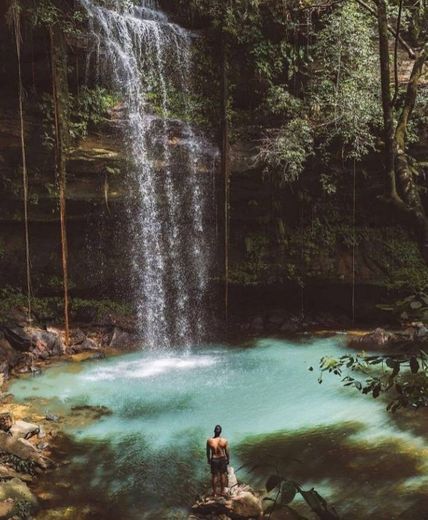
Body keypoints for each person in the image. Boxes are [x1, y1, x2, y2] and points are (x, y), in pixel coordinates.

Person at [206, 424, 230, 497]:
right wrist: (228, 459)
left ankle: (214, 493)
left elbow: (207, 452)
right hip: (222, 458)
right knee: (222, 475)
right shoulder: (224, 440)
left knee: (214, 476)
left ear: (214, 431)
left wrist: (208, 459)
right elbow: (227, 451)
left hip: (214, 459)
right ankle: (222, 492)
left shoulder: (209, 441)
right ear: (221, 432)